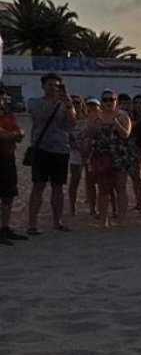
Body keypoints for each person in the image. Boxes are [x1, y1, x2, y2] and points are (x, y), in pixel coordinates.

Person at [26, 73, 77, 234]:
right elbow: (40, 117)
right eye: (50, 85)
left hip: (61, 149)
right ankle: (32, 224)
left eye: (56, 85)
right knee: (38, 186)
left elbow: (71, 124)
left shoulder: (65, 104)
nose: (53, 88)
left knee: (58, 187)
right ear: (43, 86)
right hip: (41, 149)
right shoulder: (35, 102)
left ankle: (57, 222)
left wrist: (69, 107)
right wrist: (54, 102)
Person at [87, 90, 133, 228]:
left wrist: (116, 123)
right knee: (103, 189)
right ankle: (104, 220)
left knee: (121, 187)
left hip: (119, 154)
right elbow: (90, 133)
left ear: (116, 102)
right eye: (105, 100)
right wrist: (97, 124)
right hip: (102, 155)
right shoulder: (96, 115)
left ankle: (122, 219)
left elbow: (126, 135)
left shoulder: (123, 116)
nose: (108, 102)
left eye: (111, 100)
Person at [0, 93, 27, 244]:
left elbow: (21, 133)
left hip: (8, 157)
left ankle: (4, 227)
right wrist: (14, 134)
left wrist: (13, 134)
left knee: (8, 194)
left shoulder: (9, 115)